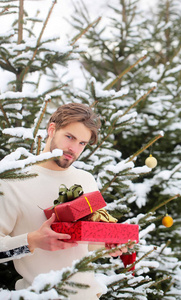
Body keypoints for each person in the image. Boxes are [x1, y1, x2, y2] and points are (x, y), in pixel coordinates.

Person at [0, 103, 127, 299]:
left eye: (82, 143)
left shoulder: (86, 180)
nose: (73, 149)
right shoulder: (13, 181)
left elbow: (85, 243)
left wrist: (108, 244)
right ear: (52, 129)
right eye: (70, 137)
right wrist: (32, 241)